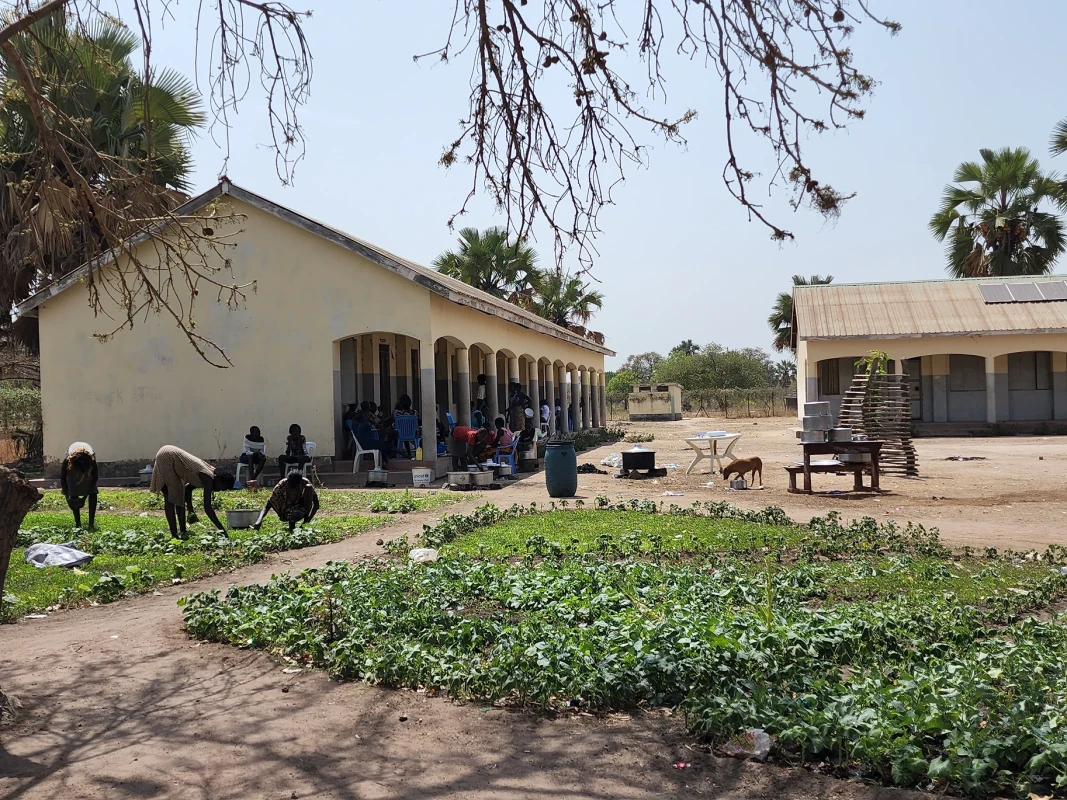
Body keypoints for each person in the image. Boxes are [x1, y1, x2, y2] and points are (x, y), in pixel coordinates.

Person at [149, 445, 233, 539]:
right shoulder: (208, 478)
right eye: (221, 488)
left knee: (179, 495)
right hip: (167, 456)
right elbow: (208, 508)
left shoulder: (209, 474)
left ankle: (183, 531)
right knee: (170, 497)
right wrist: (222, 530)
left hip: (169, 453)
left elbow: (188, 489)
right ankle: (174, 535)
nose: (218, 490)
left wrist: (190, 509)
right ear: (219, 480)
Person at [252, 471, 320, 532]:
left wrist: (308, 520)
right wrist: (259, 520)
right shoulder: (281, 486)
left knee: (309, 487)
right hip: (285, 510)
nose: (292, 489)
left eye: (294, 487)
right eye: (290, 487)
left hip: (301, 508)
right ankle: (291, 527)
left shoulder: (305, 483)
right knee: (294, 514)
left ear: (299, 484)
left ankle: (303, 521)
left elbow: (316, 504)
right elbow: (268, 505)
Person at [60, 441, 99, 530]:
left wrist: (85, 497)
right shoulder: (68, 461)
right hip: (72, 478)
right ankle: (78, 524)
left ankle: (91, 524)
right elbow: (63, 478)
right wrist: (68, 496)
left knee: (93, 493)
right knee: (73, 495)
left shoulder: (91, 461)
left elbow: (95, 478)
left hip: (88, 477)